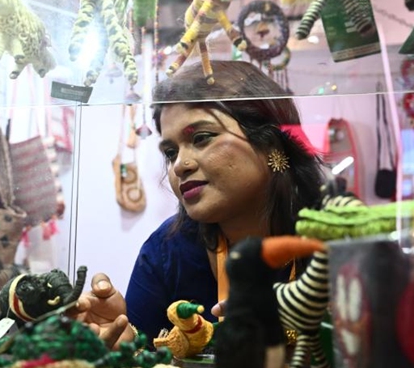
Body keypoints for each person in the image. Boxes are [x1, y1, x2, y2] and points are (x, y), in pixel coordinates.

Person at [72, 60, 324, 348]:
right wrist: (124, 346)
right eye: (170, 151)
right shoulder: (167, 250)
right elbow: (141, 366)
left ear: (271, 144)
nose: (180, 165)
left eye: (202, 138)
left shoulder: (338, 240)